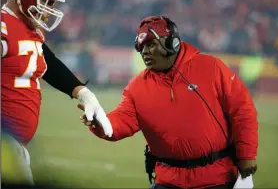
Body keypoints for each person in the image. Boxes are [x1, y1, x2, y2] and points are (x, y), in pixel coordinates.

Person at [78, 16, 258, 189]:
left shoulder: (212, 68)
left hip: (218, 180)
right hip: (167, 181)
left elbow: (242, 111)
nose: (145, 51)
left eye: (151, 44)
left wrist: (247, 155)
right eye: (141, 47)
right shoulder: (137, 87)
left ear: (172, 43)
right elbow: (120, 122)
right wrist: (100, 122)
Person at [1, 0, 113, 185]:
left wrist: (83, 93)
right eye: (46, 1)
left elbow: (48, 62)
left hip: (15, 149)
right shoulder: (3, 26)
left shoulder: (29, 27)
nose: (49, 9)